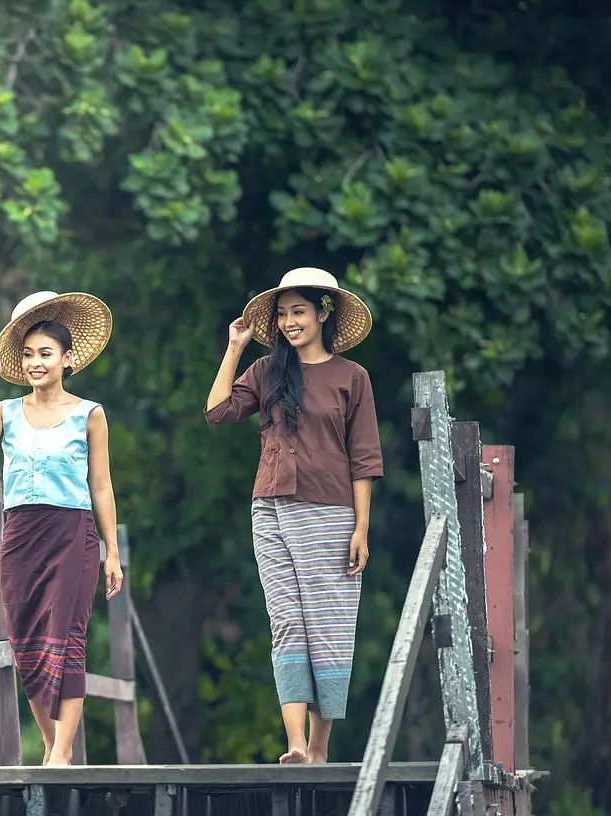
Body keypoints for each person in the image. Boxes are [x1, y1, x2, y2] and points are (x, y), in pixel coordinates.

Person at [204, 267, 383, 765]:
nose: (288, 322)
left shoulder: (353, 378)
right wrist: (236, 346)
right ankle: (297, 745)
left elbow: (364, 457)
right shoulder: (267, 371)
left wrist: (361, 528)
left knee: (327, 625)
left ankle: (321, 747)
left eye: (298, 311)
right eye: (282, 314)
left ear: (324, 313)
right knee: (286, 622)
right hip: (270, 510)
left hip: (331, 514)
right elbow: (217, 412)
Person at [0, 290, 122, 767]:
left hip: (72, 533)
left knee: (67, 637)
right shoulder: (7, 412)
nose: (35, 363)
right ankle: (52, 743)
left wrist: (112, 551)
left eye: (45, 354)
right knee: (26, 641)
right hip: (20, 535)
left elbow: (103, 487)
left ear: (66, 359)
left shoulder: (89, 413)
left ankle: (63, 752)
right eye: (27, 355)